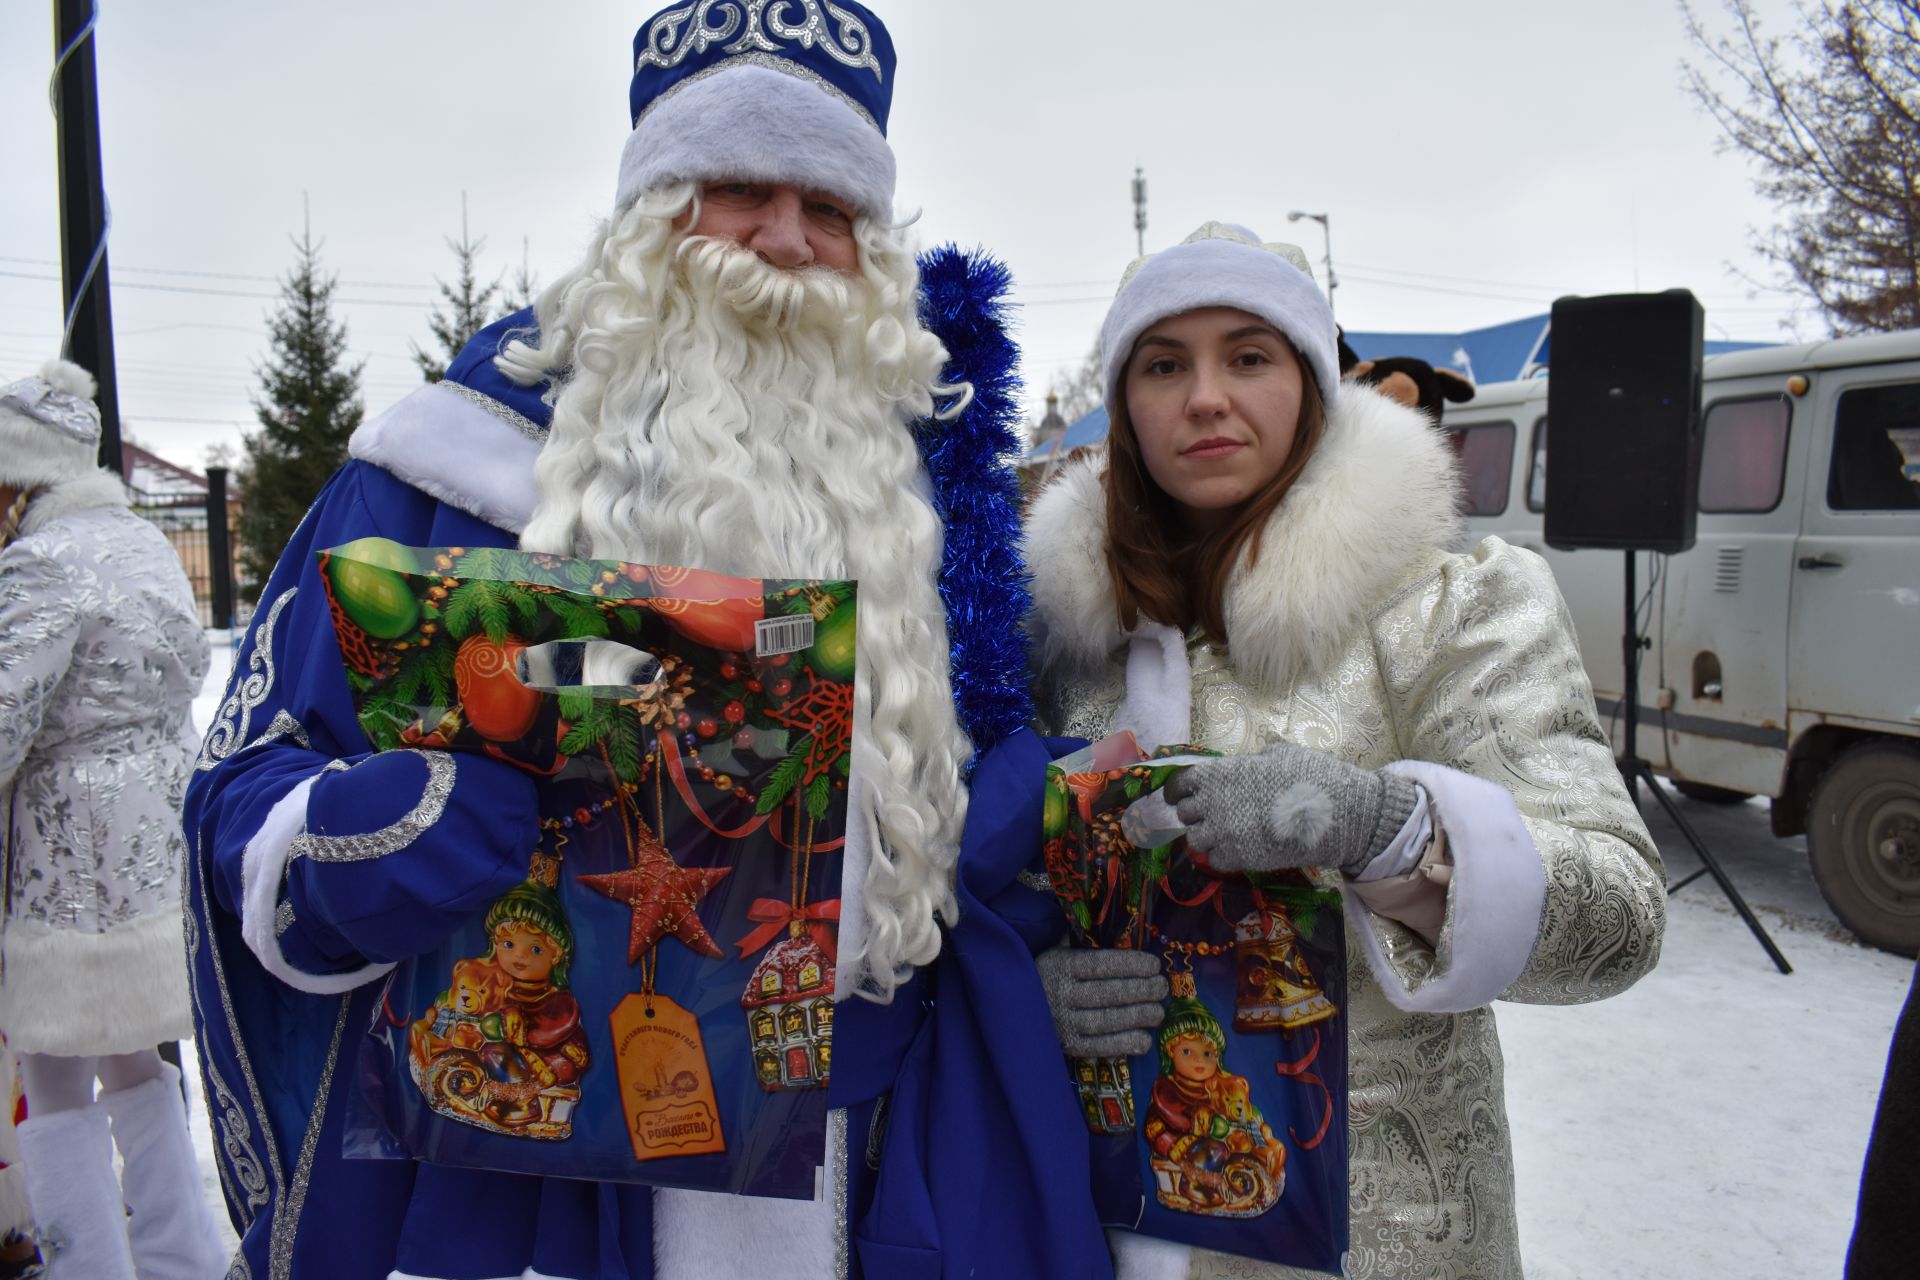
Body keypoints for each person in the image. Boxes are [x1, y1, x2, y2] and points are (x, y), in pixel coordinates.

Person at [185, 3, 1104, 1277]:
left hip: (868, 1149)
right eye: (740, 187)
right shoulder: (451, 465)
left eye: (832, 208)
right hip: (541, 1176)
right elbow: (246, 781)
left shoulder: (924, 492)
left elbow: (983, 787)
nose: (786, 241)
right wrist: (354, 841)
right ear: (651, 212)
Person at [1027, 223, 1668, 1280]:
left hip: (1376, 1237)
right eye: (1163, 363)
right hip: (1098, 1219)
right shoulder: (1067, 638)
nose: (1204, 397)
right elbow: (999, 884)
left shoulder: (1450, 608)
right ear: (1125, 401)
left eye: (1248, 354)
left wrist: (1389, 831)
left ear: (1313, 383)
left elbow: (1621, 919)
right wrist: (1036, 984)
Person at [0, 360, 226, 1278]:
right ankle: (180, 1253)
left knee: (52, 1066)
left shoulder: (40, 564)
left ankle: (86, 1262)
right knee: (134, 1057)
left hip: (70, 846)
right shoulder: (138, 543)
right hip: (151, 829)